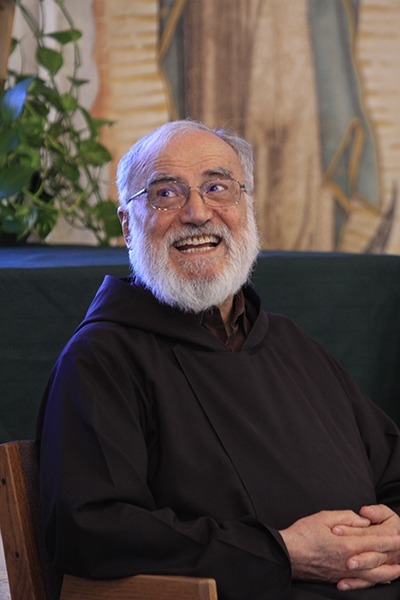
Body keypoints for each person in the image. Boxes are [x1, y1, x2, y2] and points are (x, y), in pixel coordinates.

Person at [37, 119, 400, 599]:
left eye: (217, 187)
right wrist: (281, 552)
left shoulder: (291, 344)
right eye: (166, 194)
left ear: (245, 206)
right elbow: (91, 530)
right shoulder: (102, 358)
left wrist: (392, 533)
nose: (197, 212)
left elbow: (392, 468)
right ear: (127, 224)